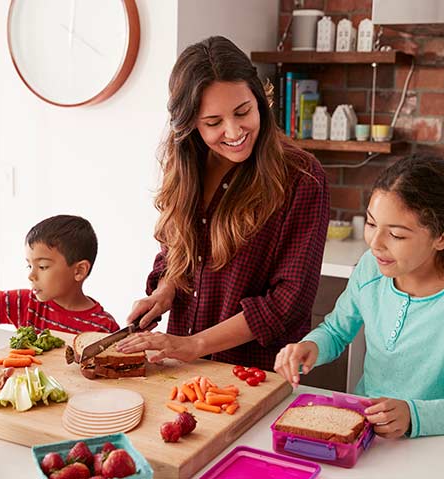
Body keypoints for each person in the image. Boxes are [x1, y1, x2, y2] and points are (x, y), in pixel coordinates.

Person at [116, 36, 329, 371]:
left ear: (259, 100)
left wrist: (195, 344)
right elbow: (176, 250)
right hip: (182, 369)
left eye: (243, 111)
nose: (234, 131)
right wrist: (164, 291)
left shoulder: (301, 177)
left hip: (255, 374)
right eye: (213, 123)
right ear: (190, 124)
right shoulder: (186, 166)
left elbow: (289, 302)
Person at [274, 155, 444, 439]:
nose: (375, 243)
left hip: (442, 442)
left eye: (396, 235)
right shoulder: (371, 268)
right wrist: (311, 346)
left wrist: (414, 416)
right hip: (369, 434)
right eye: (371, 223)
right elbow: (336, 330)